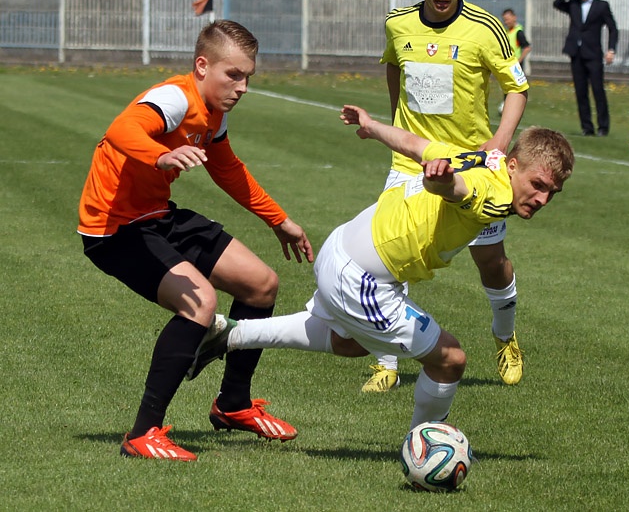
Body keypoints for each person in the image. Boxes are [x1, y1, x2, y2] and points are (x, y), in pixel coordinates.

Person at [188, 105, 575, 432]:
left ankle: (230, 334)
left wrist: (371, 127)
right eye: (537, 184)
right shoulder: (492, 194)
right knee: (450, 359)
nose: (541, 198)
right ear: (512, 166)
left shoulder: (476, 156)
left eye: (552, 193)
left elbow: (414, 144)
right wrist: (440, 182)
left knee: (353, 342)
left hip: (340, 248)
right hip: (362, 280)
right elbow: (458, 190)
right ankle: (425, 445)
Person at [76, 20, 315, 461]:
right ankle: (143, 433)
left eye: (248, 77)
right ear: (202, 66)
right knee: (200, 304)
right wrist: (161, 154)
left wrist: (278, 220)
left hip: (158, 215)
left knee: (261, 284)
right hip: (113, 228)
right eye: (234, 75)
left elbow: (227, 169)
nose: (242, 87)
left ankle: (233, 405)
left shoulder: (214, 113)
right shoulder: (173, 98)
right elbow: (121, 129)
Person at [369, 0, 531, 393]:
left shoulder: (486, 28)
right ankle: (386, 362)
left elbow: (516, 88)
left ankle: (505, 338)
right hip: (410, 164)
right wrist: (404, 132)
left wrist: (499, 142)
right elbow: (394, 67)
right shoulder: (397, 24)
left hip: (472, 165)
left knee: (491, 263)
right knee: (388, 259)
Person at [553, 0, 619, 136]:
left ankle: (603, 127)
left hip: (593, 53)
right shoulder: (574, 4)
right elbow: (557, 3)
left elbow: (613, 28)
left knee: (598, 90)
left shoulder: (601, 6)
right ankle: (587, 127)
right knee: (580, 92)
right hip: (576, 53)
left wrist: (611, 49)